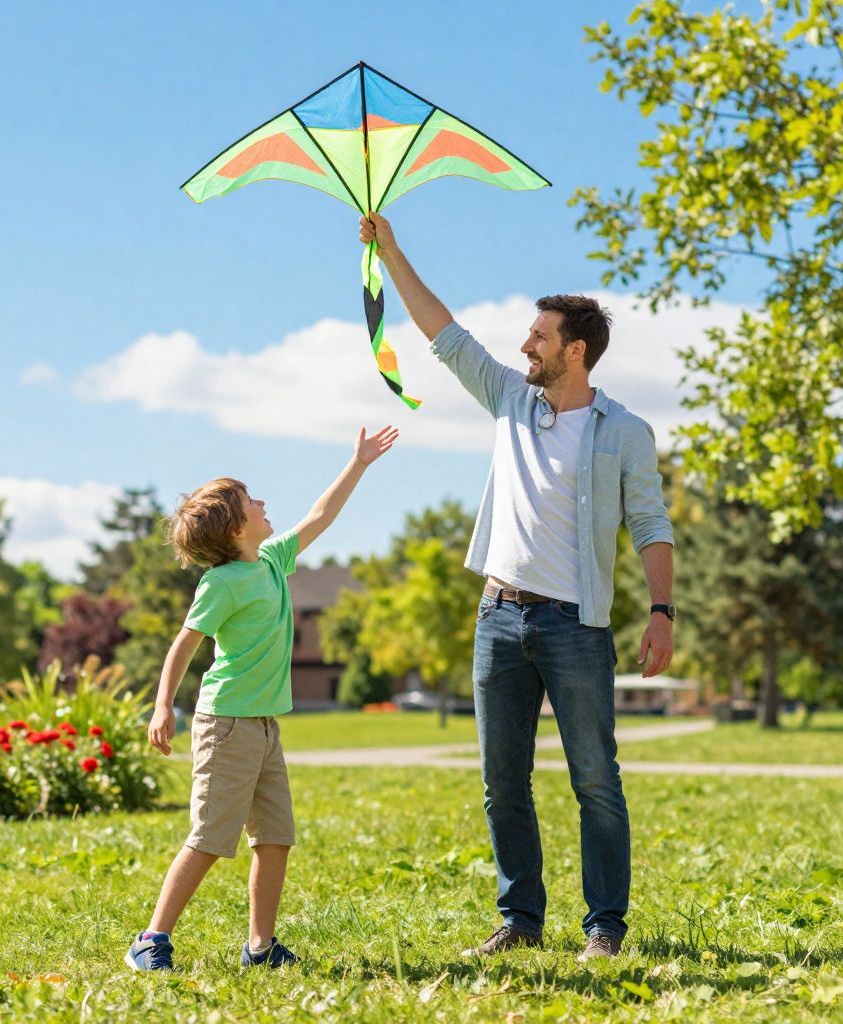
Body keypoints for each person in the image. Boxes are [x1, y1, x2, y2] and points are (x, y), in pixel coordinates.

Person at [359, 213, 674, 962]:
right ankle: (521, 921)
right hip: (497, 618)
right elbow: (445, 335)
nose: (523, 345)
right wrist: (393, 250)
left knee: (595, 780)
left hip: (576, 627)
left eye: (538, 336)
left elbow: (651, 525)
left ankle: (604, 926)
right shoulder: (511, 400)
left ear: (576, 350)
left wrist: (661, 612)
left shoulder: (623, 430)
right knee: (504, 784)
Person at [124, 425, 400, 972]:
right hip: (226, 724)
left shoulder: (271, 560)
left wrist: (359, 463)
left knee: (275, 838)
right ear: (232, 527)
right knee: (208, 839)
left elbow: (320, 515)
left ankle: (261, 946)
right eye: (252, 499)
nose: (264, 502)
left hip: (264, 726)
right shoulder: (221, 582)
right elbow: (185, 644)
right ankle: (151, 940)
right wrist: (162, 707)